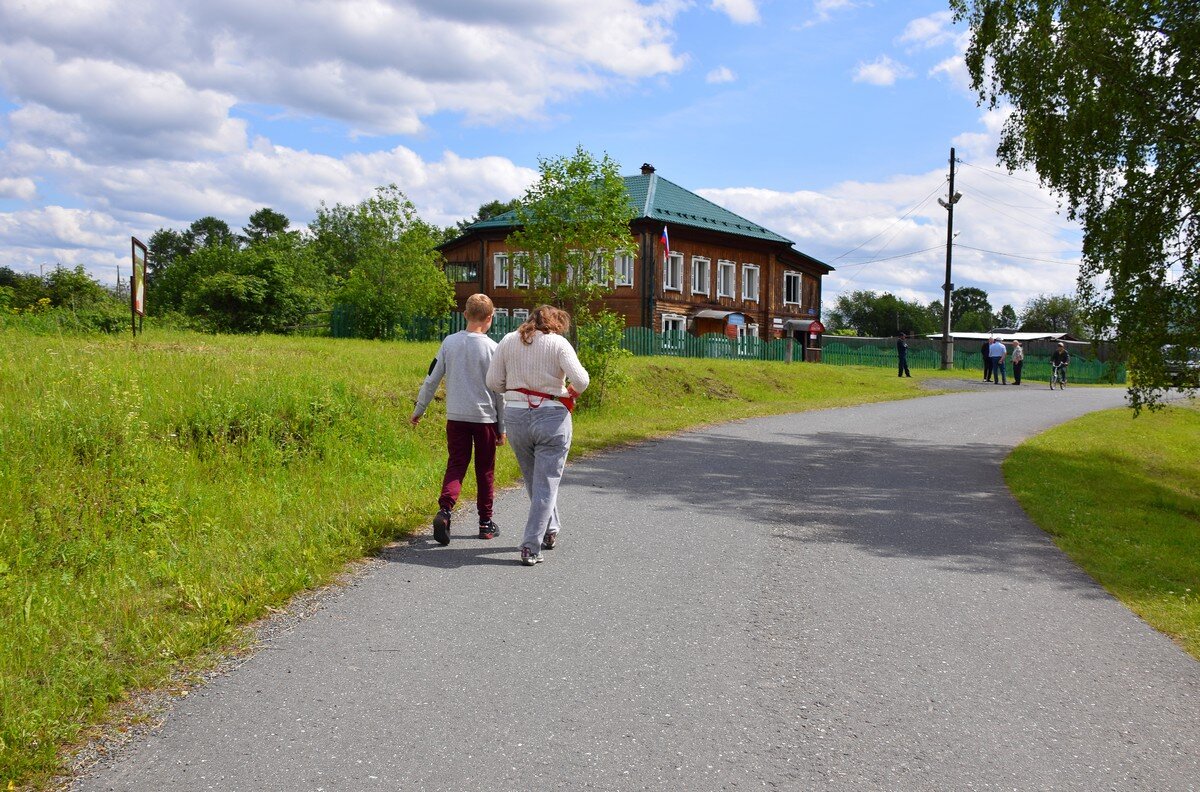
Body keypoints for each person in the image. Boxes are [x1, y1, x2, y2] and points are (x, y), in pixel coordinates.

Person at [487, 305, 589, 567]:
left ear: (530, 320)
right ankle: (530, 546)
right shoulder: (558, 343)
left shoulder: (509, 340)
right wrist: (571, 391)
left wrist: (516, 389)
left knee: (535, 480)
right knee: (545, 482)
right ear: (555, 323)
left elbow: (493, 382)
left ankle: (550, 529)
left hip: (517, 417)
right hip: (552, 417)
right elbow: (582, 379)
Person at [412, 294, 506, 546]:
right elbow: (500, 391)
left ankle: (445, 512)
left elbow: (432, 378)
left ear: (465, 315)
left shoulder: (449, 343)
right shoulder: (493, 348)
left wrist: (419, 409)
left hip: (456, 416)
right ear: (490, 318)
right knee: (484, 470)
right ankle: (485, 523)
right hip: (485, 418)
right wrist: (502, 427)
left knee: (456, 464)